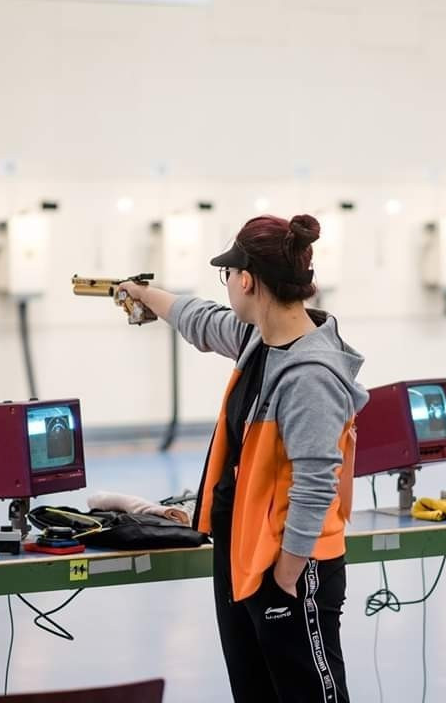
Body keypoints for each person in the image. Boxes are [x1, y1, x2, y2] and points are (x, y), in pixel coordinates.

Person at [120, 214, 368, 703]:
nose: (227, 284)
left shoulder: (309, 375)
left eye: (228, 274)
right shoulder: (261, 340)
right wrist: (145, 294)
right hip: (246, 555)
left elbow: (316, 484)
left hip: (291, 565)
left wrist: (286, 577)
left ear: (247, 280)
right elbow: (203, 321)